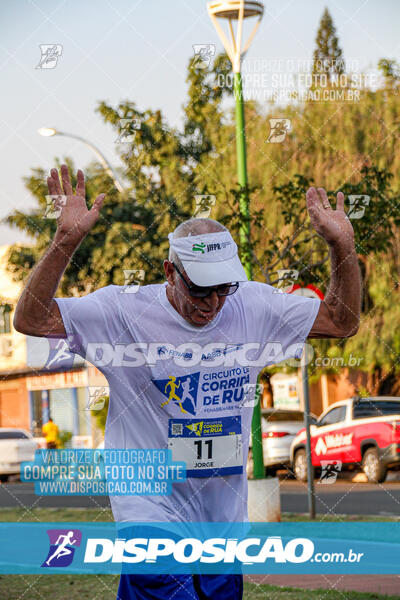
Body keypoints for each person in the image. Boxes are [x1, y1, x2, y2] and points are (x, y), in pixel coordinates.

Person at [14, 165, 361, 599]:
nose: (213, 304)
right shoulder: (122, 312)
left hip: (221, 525)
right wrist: (66, 241)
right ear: (169, 272)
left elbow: (342, 322)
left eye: (223, 289)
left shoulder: (252, 305)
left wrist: (342, 246)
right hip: (148, 508)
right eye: (200, 291)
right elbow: (30, 318)